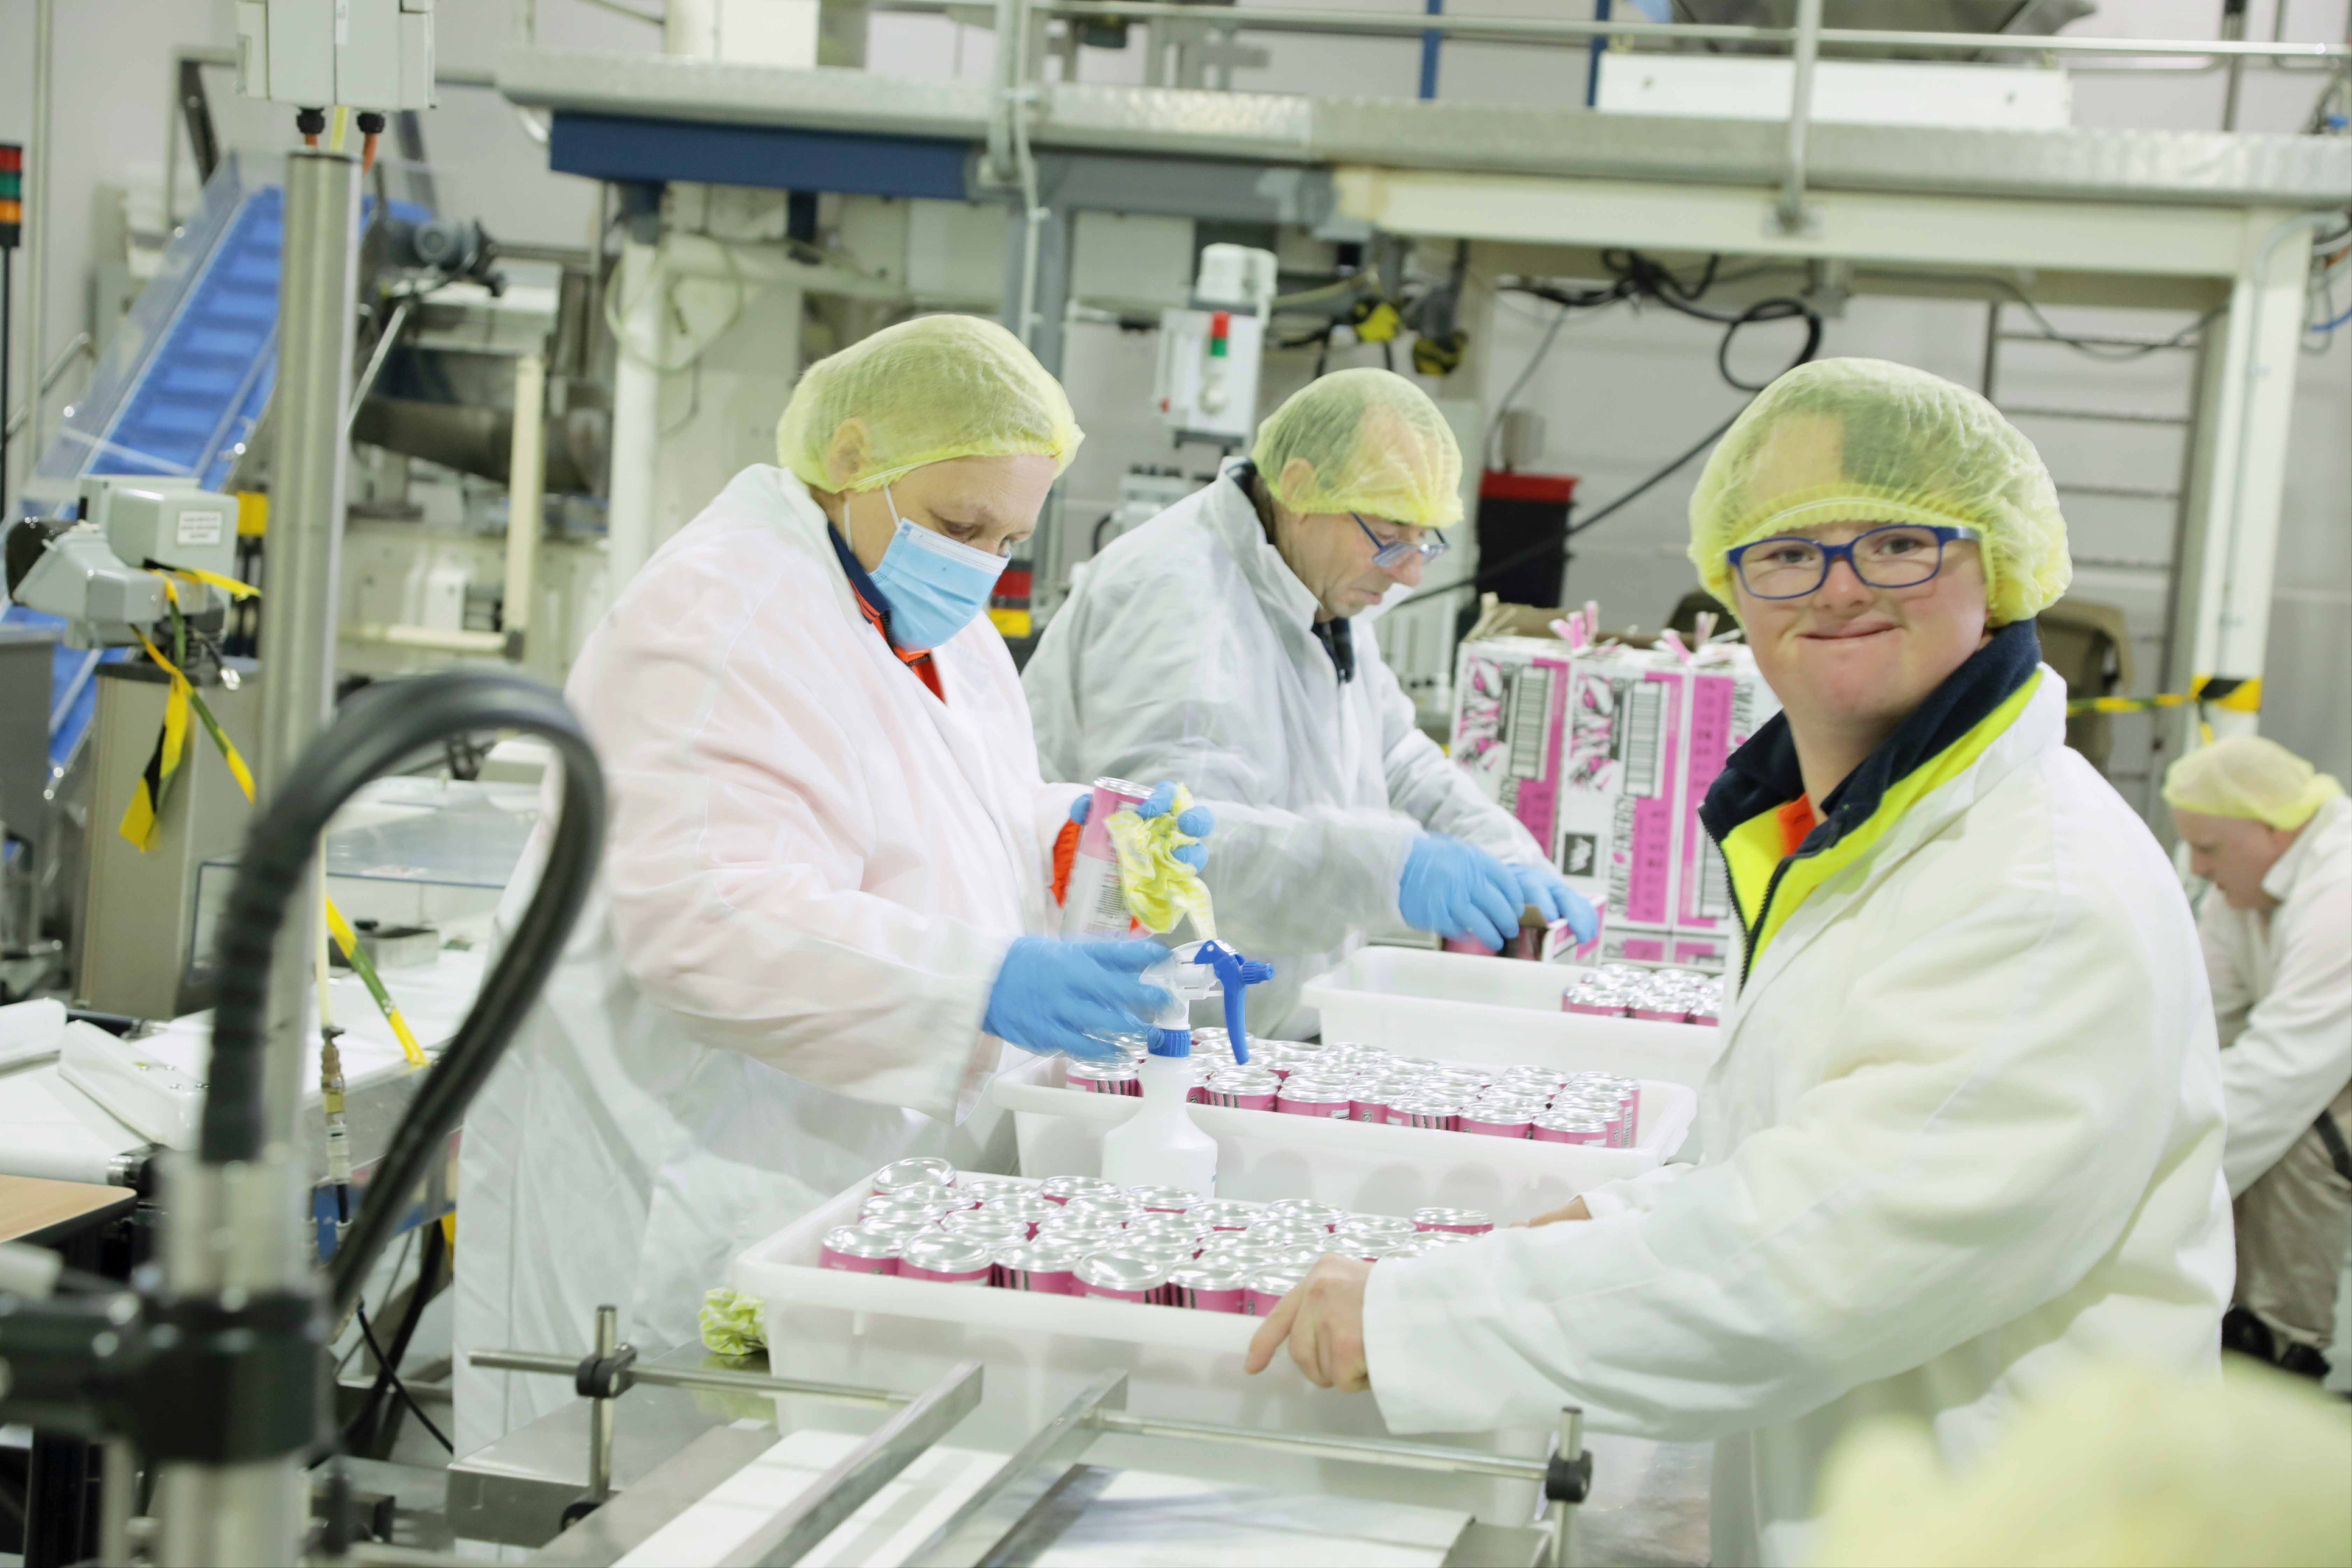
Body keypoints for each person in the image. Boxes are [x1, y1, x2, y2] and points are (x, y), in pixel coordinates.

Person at [1246, 358, 2233, 1566]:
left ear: (2001, 567)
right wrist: (1580, 1226)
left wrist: (1417, 1320)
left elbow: (1817, 1261)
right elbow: (1803, 1152)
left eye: (1897, 547)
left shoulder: (2040, 897)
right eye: (1784, 553)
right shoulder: (1875, 841)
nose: (1837, 589)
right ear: (1734, 587)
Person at [454, 316, 1208, 1454]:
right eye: (962, 525)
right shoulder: (721, 611)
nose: (983, 563)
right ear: (854, 458)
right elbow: (707, 923)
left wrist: (1072, 838)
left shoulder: (944, 630)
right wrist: (982, 982)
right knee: (637, 1506)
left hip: (830, 1182)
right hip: (673, 1172)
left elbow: (948, 808)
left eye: (1008, 538)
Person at [1023, 368, 1594, 1033]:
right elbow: (1175, 854)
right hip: (1144, 1037)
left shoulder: (1313, 579)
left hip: (1253, 1033)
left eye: (1426, 540)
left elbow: (1397, 754)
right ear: (1298, 489)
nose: (1410, 571)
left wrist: (1506, 857)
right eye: (1390, 531)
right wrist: (1387, 869)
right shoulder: (1180, 601)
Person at [2165, 735, 2351, 1380]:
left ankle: (2281, 1348)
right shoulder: (2239, 897)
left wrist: (2159, 1179)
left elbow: (2285, 1072)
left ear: (2273, 829)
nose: (2198, 867)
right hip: (2312, 1068)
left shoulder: (2343, 887)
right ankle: (2231, 1318)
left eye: (2210, 848)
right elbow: (2197, 1027)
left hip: (2324, 1088)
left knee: (2306, 1135)